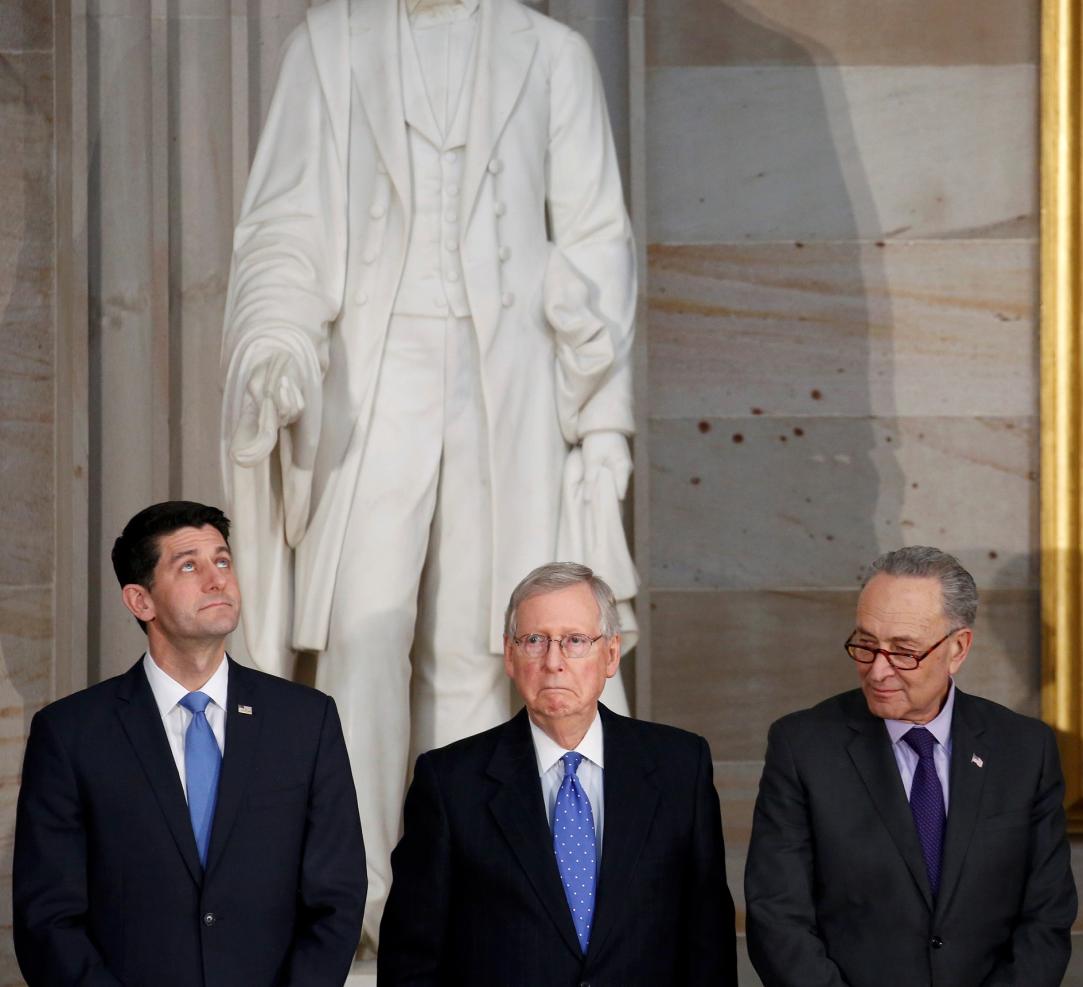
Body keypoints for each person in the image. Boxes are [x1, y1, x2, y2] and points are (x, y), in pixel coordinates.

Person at [218, 0, 638, 945]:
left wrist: (604, 421)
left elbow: (598, 249)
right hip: (371, 369)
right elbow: (285, 224)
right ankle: (353, 901)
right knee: (363, 635)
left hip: (515, 381)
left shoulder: (554, 55)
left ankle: (463, 899)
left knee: (485, 649)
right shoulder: (330, 45)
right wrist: (274, 346)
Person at [13, 501, 365, 987]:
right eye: (189, 566)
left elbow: (338, 896)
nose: (217, 579)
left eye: (222, 561)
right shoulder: (72, 733)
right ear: (141, 601)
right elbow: (47, 918)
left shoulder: (306, 721)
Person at [377, 562, 736, 985]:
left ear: (611, 654)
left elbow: (709, 942)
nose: (553, 661)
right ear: (510, 655)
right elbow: (410, 959)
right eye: (534, 640)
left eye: (575, 641)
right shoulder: (450, 782)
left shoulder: (681, 767)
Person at [745, 546, 1077, 987]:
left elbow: (1046, 918)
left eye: (904, 652)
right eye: (865, 645)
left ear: (958, 648)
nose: (878, 671)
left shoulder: (1023, 748)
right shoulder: (803, 746)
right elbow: (778, 918)